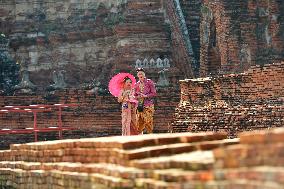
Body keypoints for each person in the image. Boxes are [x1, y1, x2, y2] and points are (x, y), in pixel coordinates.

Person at [134, 68, 157, 134]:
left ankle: (150, 136)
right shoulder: (136, 84)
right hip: (140, 105)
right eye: (139, 74)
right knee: (139, 122)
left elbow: (154, 93)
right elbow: (134, 96)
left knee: (148, 121)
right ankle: (139, 138)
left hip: (148, 105)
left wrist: (146, 96)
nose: (140, 75)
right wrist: (138, 96)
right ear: (137, 75)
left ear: (144, 74)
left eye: (141, 73)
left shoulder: (149, 82)